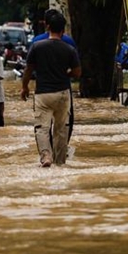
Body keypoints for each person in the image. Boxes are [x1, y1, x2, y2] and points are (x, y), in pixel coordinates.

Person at [21, 12, 81, 167]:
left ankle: (46, 156)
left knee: (41, 127)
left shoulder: (36, 45)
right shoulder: (69, 47)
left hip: (43, 93)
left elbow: (28, 69)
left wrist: (24, 87)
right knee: (61, 128)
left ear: (47, 27)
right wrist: (65, 73)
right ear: (63, 29)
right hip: (62, 92)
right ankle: (60, 161)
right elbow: (77, 72)